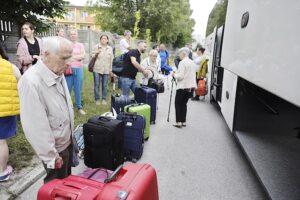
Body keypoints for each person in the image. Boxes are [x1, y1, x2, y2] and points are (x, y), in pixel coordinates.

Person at [18, 36, 75, 183]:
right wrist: (51, 157)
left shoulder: (57, 71)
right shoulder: (31, 82)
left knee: (65, 185)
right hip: (55, 151)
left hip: (65, 142)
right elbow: (35, 127)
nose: (69, 63)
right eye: (65, 58)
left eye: (70, 57)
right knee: (54, 188)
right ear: (47, 54)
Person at [0, 43, 21, 182]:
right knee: (1, 142)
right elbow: (21, 84)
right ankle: (2, 172)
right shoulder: (10, 67)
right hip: (5, 111)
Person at [172, 47, 197, 128]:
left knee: (178, 104)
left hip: (182, 87)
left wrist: (174, 75)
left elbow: (180, 76)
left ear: (184, 53)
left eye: (179, 54)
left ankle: (178, 122)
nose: (179, 56)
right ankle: (183, 122)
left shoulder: (182, 63)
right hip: (190, 88)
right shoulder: (192, 62)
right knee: (184, 104)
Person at [65, 30, 86, 115]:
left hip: (79, 69)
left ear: (77, 35)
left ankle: (79, 107)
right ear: (69, 36)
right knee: (68, 89)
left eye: (74, 34)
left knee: (78, 89)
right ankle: (67, 107)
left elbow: (83, 56)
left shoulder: (80, 45)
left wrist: (72, 57)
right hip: (68, 70)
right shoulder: (66, 45)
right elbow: (65, 56)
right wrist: (77, 57)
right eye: (71, 34)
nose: (73, 36)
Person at [91, 34, 113, 105]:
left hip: (106, 69)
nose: (103, 40)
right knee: (96, 84)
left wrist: (111, 69)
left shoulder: (110, 48)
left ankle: (104, 99)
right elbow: (92, 56)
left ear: (107, 40)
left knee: (105, 85)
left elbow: (111, 59)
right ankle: (97, 99)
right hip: (97, 68)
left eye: (105, 39)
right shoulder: (96, 47)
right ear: (100, 40)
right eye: (102, 39)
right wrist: (96, 53)